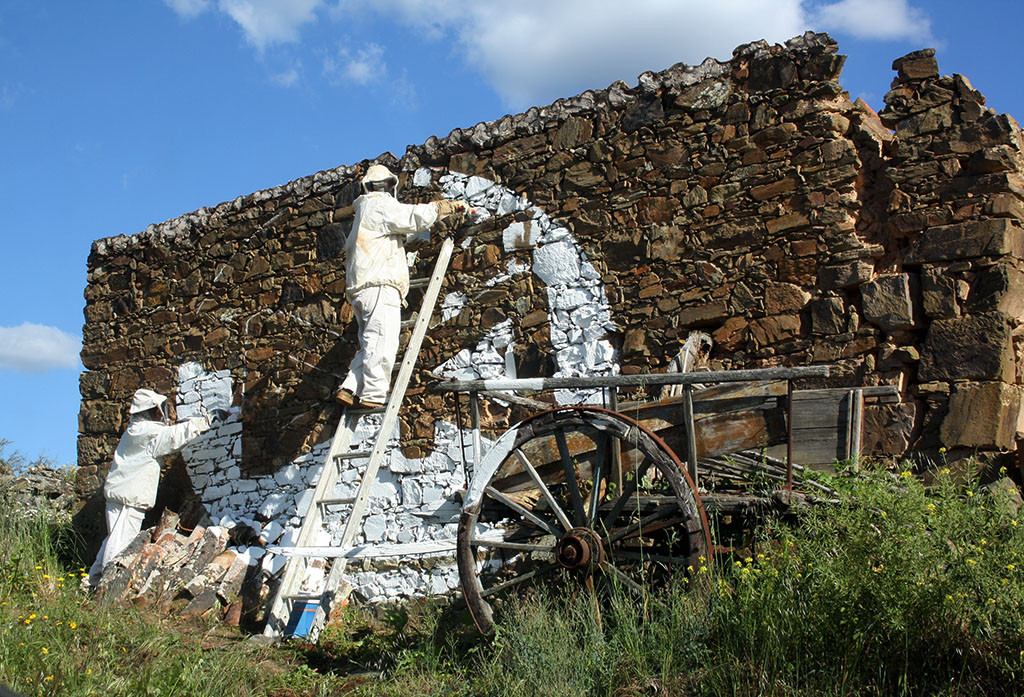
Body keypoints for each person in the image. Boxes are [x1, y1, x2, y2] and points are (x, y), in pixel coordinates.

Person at [336, 164, 467, 409]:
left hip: (363, 288)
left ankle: (350, 387)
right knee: (383, 342)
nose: (389, 190)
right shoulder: (378, 205)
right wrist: (441, 207)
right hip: (379, 285)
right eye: (387, 185)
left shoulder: (363, 212)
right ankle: (373, 395)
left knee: (370, 343)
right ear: (381, 186)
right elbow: (411, 218)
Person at [85, 388, 212, 587]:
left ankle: (93, 581)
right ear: (153, 410)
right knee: (121, 544)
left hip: (122, 497)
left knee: (113, 539)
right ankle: (108, 586)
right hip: (128, 500)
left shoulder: (136, 431)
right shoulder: (147, 433)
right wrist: (206, 421)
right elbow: (174, 437)